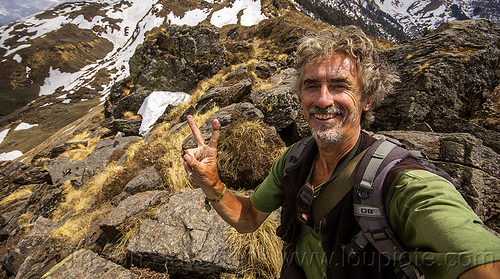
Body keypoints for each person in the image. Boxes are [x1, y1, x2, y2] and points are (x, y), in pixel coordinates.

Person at [183, 26, 500, 278]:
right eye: (311, 86)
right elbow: (249, 218)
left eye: (339, 85)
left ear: (368, 99)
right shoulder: (293, 161)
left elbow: (482, 264)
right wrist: (211, 183)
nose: (322, 99)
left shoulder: (403, 184)